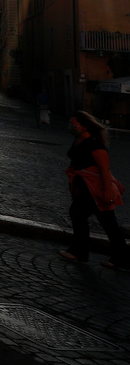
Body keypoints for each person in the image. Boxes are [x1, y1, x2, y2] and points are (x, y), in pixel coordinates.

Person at [60, 111, 129, 270]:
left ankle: (79, 252)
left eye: (74, 124)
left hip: (95, 187)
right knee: (108, 222)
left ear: (84, 126)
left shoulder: (95, 144)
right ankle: (122, 259)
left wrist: (108, 191)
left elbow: (105, 169)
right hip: (85, 185)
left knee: (78, 213)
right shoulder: (78, 139)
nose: (70, 126)